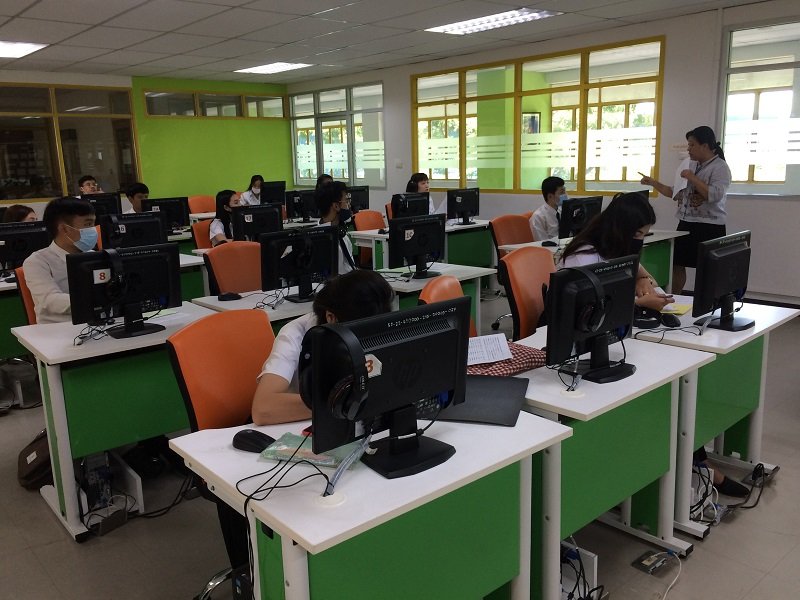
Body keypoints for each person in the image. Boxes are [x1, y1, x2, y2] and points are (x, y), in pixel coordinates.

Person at [252, 269, 395, 425]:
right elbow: (263, 408)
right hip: (302, 425)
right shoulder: (294, 335)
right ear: (331, 318)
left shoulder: (372, 318)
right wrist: (342, 403)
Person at [640, 126, 731, 294]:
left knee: (708, 268)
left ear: (704, 146)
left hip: (709, 226)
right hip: (686, 222)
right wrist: (653, 182)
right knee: (677, 264)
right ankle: (675, 299)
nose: (688, 149)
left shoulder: (720, 167)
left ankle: (707, 301)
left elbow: (714, 195)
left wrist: (692, 178)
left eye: (692, 145)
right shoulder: (692, 165)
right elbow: (674, 192)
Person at [559, 192, 672, 312]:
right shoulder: (583, 256)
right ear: (620, 228)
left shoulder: (618, 248)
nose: (640, 240)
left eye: (644, 234)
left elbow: (652, 281)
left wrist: (643, 280)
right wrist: (638, 303)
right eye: (637, 234)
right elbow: (582, 307)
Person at [22, 197, 96, 324]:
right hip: (57, 329)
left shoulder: (94, 256)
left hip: (95, 325)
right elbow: (51, 300)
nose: (93, 229)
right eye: (88, 224)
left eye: (93, 224)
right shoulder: (37, 262)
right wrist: (99, 300)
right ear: (65, 229)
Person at [316, 180, 356, 274]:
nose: (349, 205)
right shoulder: (320, 240)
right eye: (346, 201)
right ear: (336, 206)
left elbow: (349, 268)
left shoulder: (341, 234)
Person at [531, 176, 566, 241]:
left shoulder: (561, 211)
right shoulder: (538, 217)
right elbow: (542, 242)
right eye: (562, 192)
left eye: (565, 191)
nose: (565, 195)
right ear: (550, 196)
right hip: (550, 247)